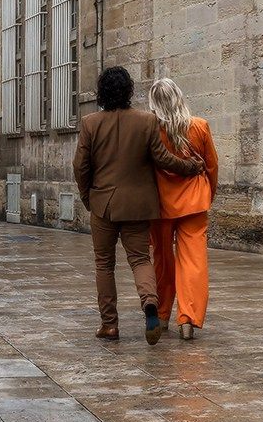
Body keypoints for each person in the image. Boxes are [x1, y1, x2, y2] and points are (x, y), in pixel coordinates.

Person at [72, 66, 203, 345]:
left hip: (103, 205)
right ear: (129, 91)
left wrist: (87, 197)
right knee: (141, 259)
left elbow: (80, 166)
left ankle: (109, 325)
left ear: (102, 93)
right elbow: (164, 159)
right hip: (139, 205)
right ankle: (150, 305)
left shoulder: (90, 123)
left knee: (104, 264)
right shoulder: (146, 121)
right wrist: (190, 167)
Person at [148, 78, 219, 341]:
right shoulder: (199, 126)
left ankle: (163, 314)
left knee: (163, 261)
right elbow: (211, 165)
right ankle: (188, 320)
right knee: (194, 262)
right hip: (194, 201)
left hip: (161, 203)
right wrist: (208, 193)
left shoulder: (152, 129)